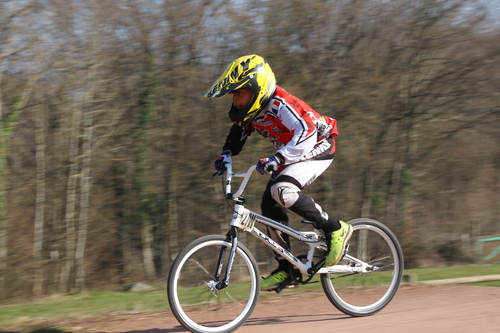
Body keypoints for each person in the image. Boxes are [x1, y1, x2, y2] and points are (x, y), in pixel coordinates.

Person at [205, 54, 352, 291]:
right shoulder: (251, 111)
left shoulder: (280, 104)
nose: (235, 99)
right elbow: (238, 132)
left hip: (318, 145)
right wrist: (226, 154)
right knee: (269, 205)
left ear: (257, 88)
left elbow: (307, 133)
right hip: (293, 152)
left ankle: (334, 228)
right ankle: (287, 269)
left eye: (239, 92)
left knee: (281, 190)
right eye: (233, 94)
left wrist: (278, 158)